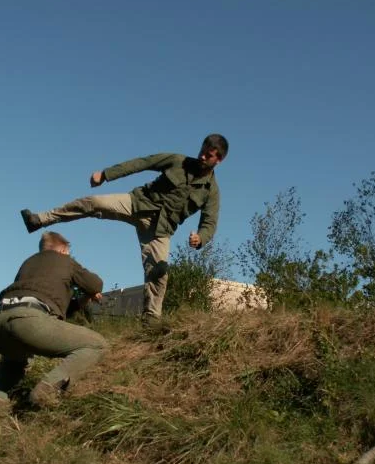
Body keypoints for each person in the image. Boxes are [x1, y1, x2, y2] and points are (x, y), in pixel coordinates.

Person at [20, 134, 228, 324]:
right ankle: (39, 220)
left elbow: (210, 222)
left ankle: (151, 320)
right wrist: (106, 174)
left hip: (160, 229)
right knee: (91, 203)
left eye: (208, 155)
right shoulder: (177, 161)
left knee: (159, 272)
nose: (202, 157)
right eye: (202, 150)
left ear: (218, 160)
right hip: (137, 203)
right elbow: (142, 163)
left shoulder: (212, 192)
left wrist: (200, 238)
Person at [0, 231, 108, 408]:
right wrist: (89, 290)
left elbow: (60, 309)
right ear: (64, 250)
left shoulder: (28, 263)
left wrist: (85, 298)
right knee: (98, 344)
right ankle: (45, 392)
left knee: (15, 356)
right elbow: (96, 284)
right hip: (28, 320)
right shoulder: (66, 261)